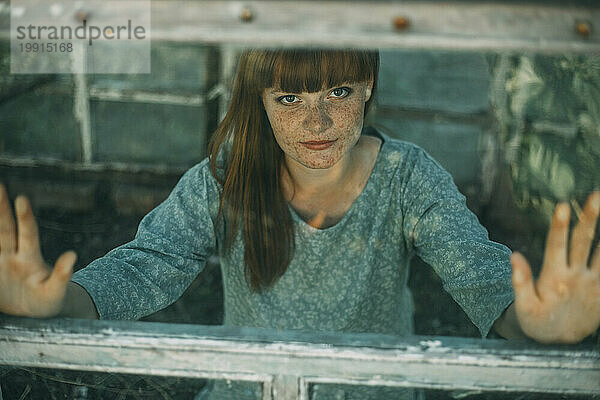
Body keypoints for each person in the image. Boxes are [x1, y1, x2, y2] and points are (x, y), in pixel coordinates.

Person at [0, 49, 599, 400]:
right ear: (260, 99)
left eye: (337, 90)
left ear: (366, 85)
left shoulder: (407, 176)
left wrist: (539, 327)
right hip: (248, 392)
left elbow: (477, 271)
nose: (317, 119)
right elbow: (150, 262)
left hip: (374, 392)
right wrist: (58, 305)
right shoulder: (230, 171)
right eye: (288, 98)